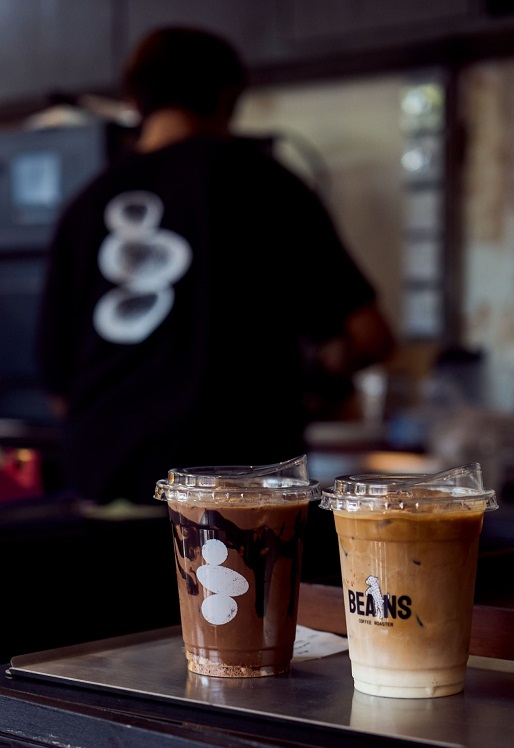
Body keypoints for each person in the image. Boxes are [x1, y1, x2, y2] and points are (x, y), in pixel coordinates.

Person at [36, 26, 395, 506]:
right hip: (238, 499)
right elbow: (371, 336)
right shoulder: (268, 185)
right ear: (227, 97)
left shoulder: (83, 207)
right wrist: (326, 366)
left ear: (134, 101)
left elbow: (57, 384)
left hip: (108, 486)